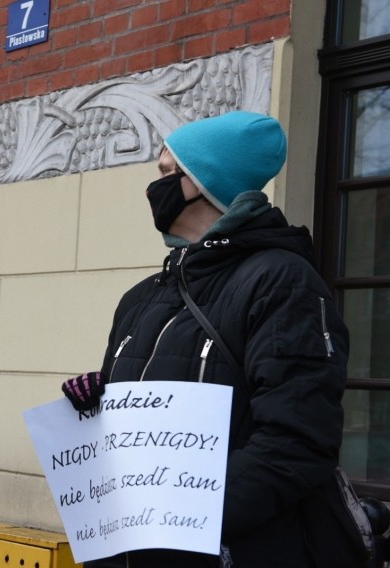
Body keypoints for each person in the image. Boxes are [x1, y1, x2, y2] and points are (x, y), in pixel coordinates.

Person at [61, 111, 355, 567]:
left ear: (200, 180)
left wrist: (181, 517)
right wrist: (96, 402)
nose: (151, 188)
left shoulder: (282, 282)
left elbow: (295, 443)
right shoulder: (143, 297)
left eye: (164, 172)